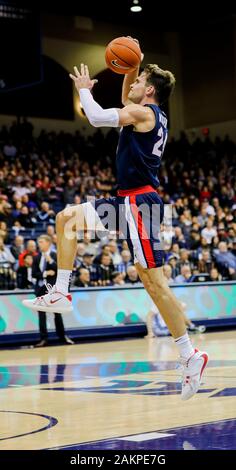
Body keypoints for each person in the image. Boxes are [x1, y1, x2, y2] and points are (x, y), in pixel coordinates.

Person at [23, 39, 208, 400]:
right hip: (126, 201)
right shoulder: (148, 111)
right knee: (67, 219)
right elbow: (129, 89)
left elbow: (95, 117)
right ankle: (61, 291)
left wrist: (82, 90)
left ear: (149, 91)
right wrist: (134, 63)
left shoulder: (143, 114)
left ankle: (189, 355)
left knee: (153, 282)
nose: (132, 84)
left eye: (139, 82)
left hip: (140, 204)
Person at [31, 235, 74, 347]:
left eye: (41, 241)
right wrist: (45, 274)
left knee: (57, 313)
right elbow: (33, 274)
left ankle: (62, 336)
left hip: (53, 289)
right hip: (40, 289)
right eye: (38, 242)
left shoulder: (55, 255)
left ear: (48, 243)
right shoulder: (36, 257)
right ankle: (43, 339)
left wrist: (50, 261)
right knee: (41, 315)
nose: (39, 244)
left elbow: (60, 270)